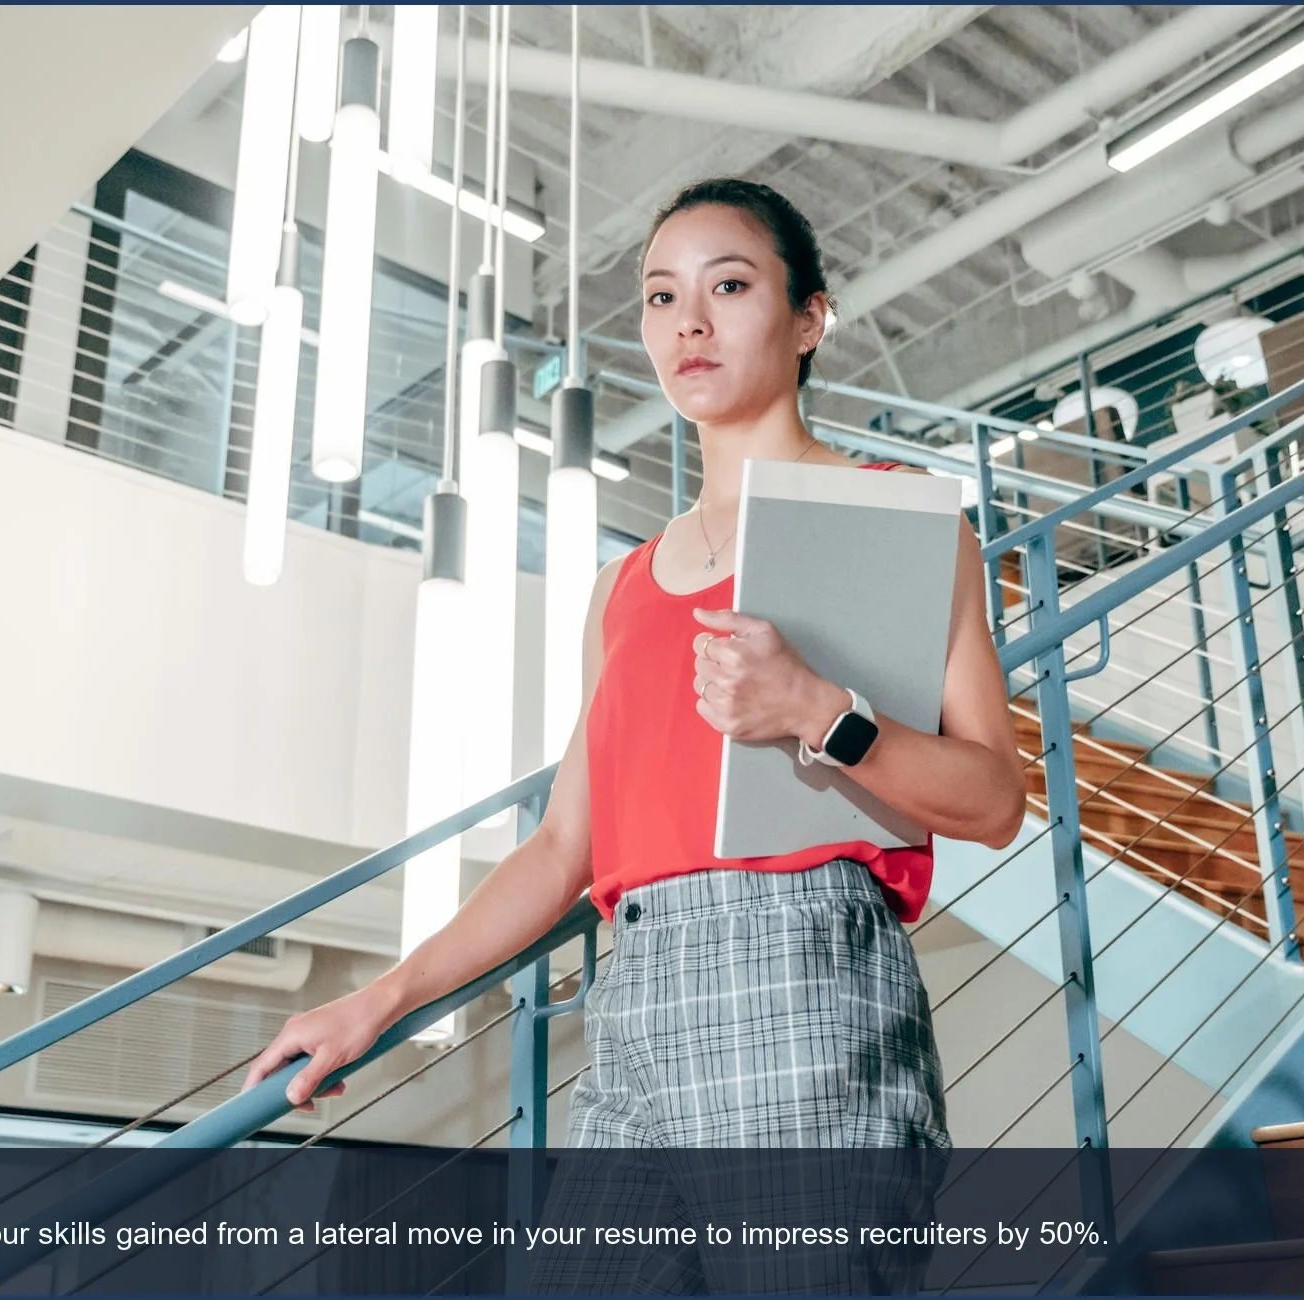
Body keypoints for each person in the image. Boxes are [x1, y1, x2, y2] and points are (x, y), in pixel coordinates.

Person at [244, 179, 1026, 1154]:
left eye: (729, 286)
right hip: (629, 996)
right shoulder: (621, 586)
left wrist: (824, 714)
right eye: (660, 296)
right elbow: (558, 849)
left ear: (808, 319)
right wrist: (379, 999)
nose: (687, 322)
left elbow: (994, 799)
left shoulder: (897, 517)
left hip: (801, 971)